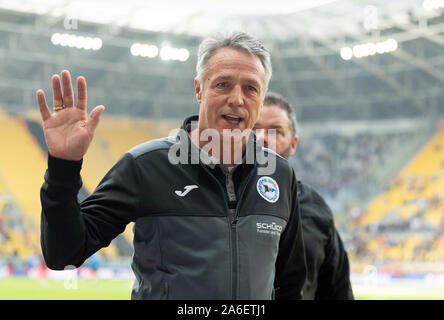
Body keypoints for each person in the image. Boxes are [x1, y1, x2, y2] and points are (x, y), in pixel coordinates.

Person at [36, 31, 306, 300]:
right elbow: (64, 254)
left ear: (261, 98)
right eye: (223, 84)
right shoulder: (145, 166)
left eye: (251, 88)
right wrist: (63, 167)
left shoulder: (279, 174)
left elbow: (289, 283)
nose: (237, 99)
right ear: (199, 89)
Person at [254, 92, 354, 300]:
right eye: (254, 129)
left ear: (293, 144)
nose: (262, 138)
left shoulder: (316, 210)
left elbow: (337, 290)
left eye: (275, 131)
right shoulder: (217, 200)